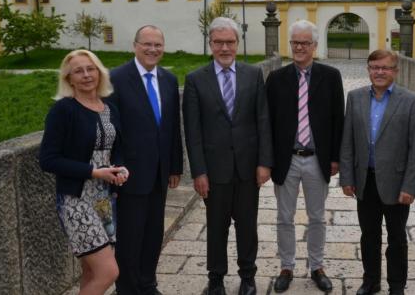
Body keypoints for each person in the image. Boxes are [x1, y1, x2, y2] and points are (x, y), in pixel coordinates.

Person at [183, 17, 273, 295]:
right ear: (210, 44)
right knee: (217, 227)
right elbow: (193, 131)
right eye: (219, 42)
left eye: (230, 42)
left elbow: (263, 120)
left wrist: (264, 162)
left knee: (247, 226)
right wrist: (199, 171)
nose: (225, 48)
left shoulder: (253, 75)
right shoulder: (195, 80)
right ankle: (216, 278)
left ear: (237, 43)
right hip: (214, 169)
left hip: (248, 168)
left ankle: (248, 276)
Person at [39, 49, 129, 295]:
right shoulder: (63, 110)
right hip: (75, 200)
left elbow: (117, 149)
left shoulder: (109, 108)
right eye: (78, 71)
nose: (86, 75)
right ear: (69, 79)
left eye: (91, 69)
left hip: (103, 199)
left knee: (90, 272)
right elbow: (47, 159)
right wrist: (93, 171)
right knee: (108, 272)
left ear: (100, 73)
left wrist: (120, 169)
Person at [340, 49, 415, 295]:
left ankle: (396, 285)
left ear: (395, 71)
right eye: (374, 67)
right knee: (369, 236)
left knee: (397, 238)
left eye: (385, 68)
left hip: (397, 183)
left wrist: (410, 186)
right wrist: (347, 177)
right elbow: (347, 141)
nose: (379, 72)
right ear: (368, 70)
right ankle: (371, 281)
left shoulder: (411, 101)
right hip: (364, 180)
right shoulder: (355, 98)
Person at [265, 20, 344, 293]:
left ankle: (317, 266)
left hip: (316, 159)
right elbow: (267, 123)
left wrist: (335, 158)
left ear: (314, 46)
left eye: (305, 43)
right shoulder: (276, 79)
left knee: (317, 217)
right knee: (284, 217)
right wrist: (267, 159)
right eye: (295, 42)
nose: (299, 47)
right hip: (286, 159)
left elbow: (337, 120)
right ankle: (286, 266)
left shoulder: (331, 76)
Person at [109, 25, 183, 295]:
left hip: (160, 174)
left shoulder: (168, 79)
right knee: (130, 237)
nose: (153, 49)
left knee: (153, 234)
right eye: (147, 44)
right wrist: (115, 170)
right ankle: (127, 289)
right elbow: (111, 131)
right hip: (129, 175)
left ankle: (147, 284)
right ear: (135, 45)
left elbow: (173, 128)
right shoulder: (116, 78)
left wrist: (175, 166)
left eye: (158, 45)